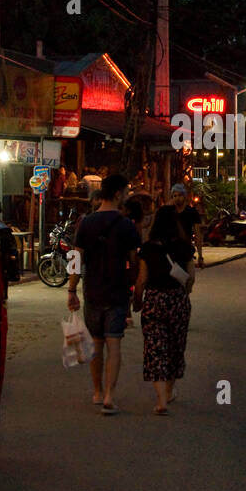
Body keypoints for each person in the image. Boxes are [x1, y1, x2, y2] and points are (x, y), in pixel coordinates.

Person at [68, 173, 141, 415]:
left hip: (93, 292)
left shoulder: (86, 223)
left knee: (97, 344)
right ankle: (110, 395)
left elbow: (76, 259)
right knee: (114, 343)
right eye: (126, 192)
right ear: (118, 193)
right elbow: (134, 262)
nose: (128, 196)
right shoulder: (126, 225)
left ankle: (98, 392)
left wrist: (71, 289)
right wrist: (133, 291)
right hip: (117, 293)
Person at [132, 206, 195, 415]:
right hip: (177, 300)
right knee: (176, 346)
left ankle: (161, 401)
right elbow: (191, 277)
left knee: (155, 349)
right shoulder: (185, 247)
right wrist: (184, 292)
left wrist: (137, 301)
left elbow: (141, 280)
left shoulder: (148, 248)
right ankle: (169, 391)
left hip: (154, 301)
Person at [169, 182, 205, 267]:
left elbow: (197, 234)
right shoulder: (168, 212)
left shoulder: (191, 212)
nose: (177, 198)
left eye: (180, 195)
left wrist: (200, 256)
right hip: (170, 251)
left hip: (186, 249)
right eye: (175, 196)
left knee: (189, 278)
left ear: (184, 197)